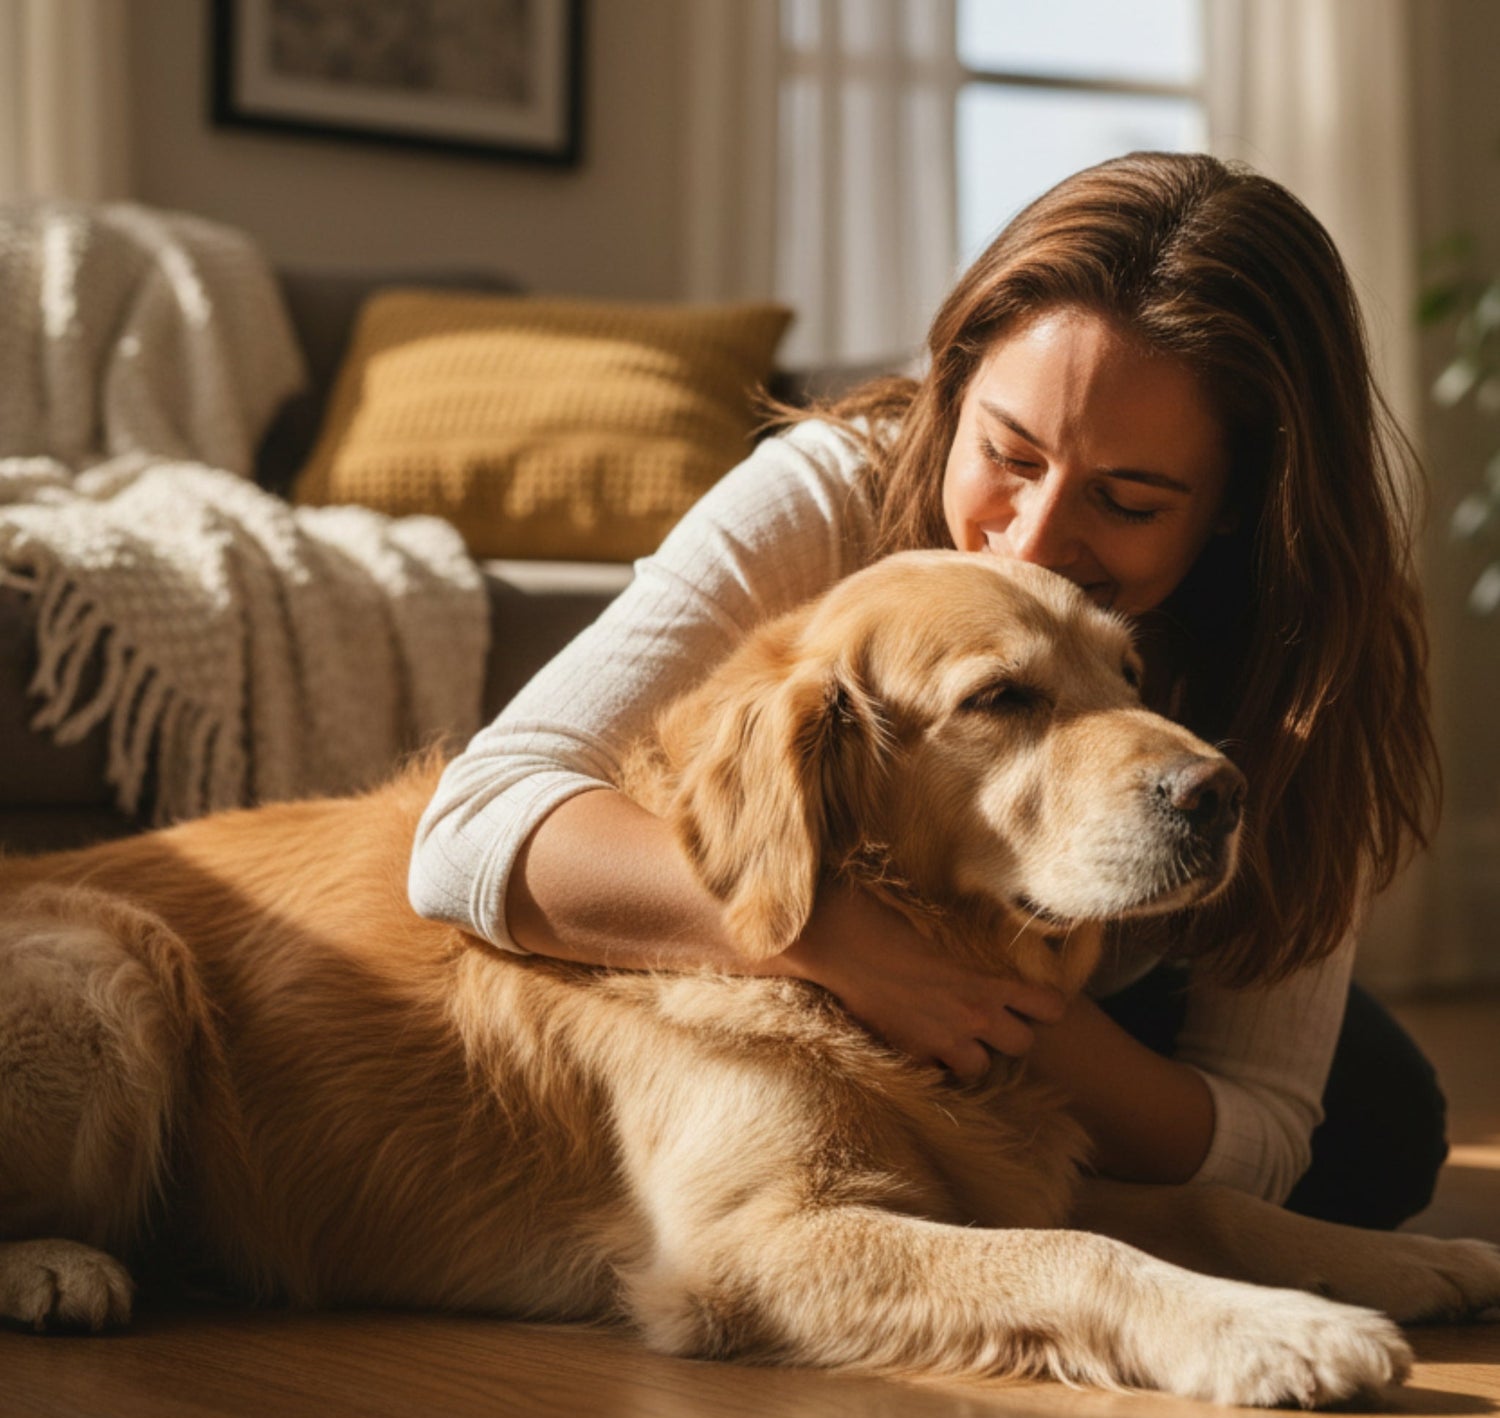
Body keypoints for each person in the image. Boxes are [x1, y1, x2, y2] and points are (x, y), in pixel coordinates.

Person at [409, 152, 1446, 1232]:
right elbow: (471, 830)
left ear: (1239, 504)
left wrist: (990, 1010)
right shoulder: (827, 489)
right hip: (826, 932)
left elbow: (1267, 1133)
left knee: (1379, 1126)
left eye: (1129, 501)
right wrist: (832, 947)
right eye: (1009, 453)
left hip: (1107, 1001)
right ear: (954, 391)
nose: (1034, 544)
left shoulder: (1303, 649)